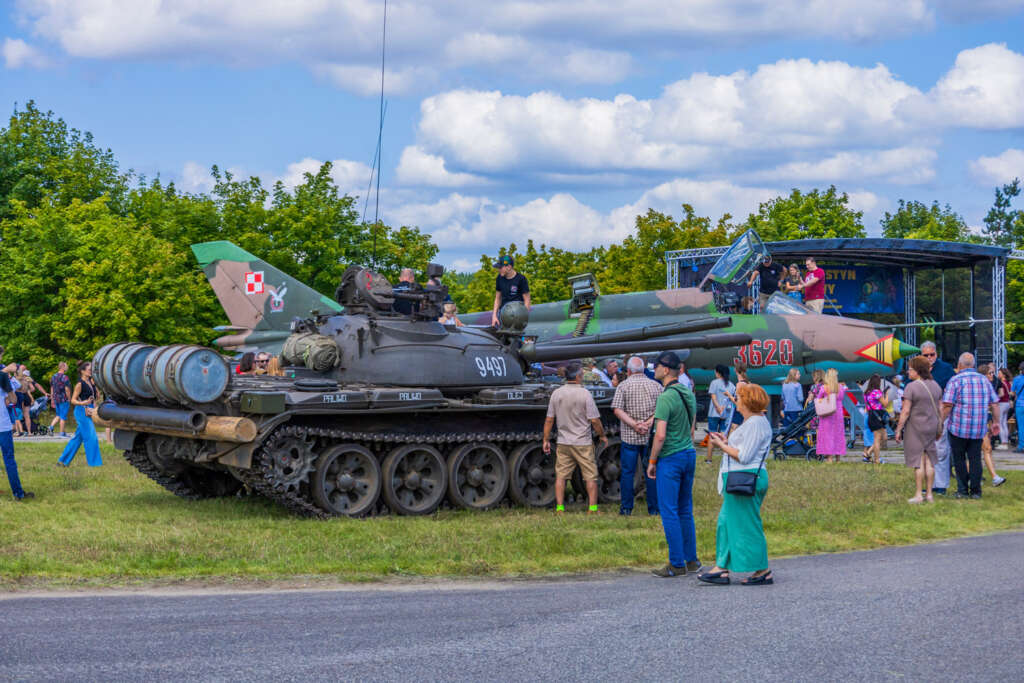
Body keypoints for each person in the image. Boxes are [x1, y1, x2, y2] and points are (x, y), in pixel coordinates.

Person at [699, 383, 773, 586]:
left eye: (739, 398)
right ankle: (721, 567)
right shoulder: (752, 422)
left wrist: (722, 446)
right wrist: (727, 441)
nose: (736, 401)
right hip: (739, 477)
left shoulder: (756, 423)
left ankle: (762, 569)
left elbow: (745, 455)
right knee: (725, 522)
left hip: (746, 476)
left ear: (747, 401)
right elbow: (742, 447)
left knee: (747, 524)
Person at [646, 351, 700, 578]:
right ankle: (691, 560)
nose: (654, 369)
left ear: (665, 369)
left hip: (671, 457)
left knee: (669, 511)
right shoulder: (687, 393)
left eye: (656, 366)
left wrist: (652, 460)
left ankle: (676, 564)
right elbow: (690, 427)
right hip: (689, 453)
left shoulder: (665, 397)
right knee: (685, 510)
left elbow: (660, 436)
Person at [542, 362, 607, 513]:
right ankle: (592, 508)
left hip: (564, 441)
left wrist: (545, 439)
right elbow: (595, 420)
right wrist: (602, 435)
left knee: (561, 476)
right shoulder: (584, 393)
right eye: (582, 375)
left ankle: (559, 508)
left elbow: (549, 419)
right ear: (578, 376)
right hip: (582, 442)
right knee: (590, 476)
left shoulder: (556, 393)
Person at [940, 353, 999, 499]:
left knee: (959, 459)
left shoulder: (955, 380)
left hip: (958, 428)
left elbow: (947, 405)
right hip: (978, 428)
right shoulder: (984, 380)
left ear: (959, 365)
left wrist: (939, 422)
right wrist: (996, 423)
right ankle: (976, 491)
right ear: (973, 365)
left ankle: (963, 490)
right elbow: (995, 403)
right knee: (975, 459)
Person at [611, 356, 664, 516]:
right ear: (643, 370)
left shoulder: (623, 386)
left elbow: (617, 409)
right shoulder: (656, 386)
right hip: (650, 436)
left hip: (630, 436)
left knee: (627, 472)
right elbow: (661, 409)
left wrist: (634, 424)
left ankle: (626, 508)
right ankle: (654, 509)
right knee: (651, 470)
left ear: (628, 371)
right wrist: (647, 423)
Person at [895, 356, 942, 504]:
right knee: (929, 461)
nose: (908, 372)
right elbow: (940, 409)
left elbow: (906, 411)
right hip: (932, 426)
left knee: (918, 461)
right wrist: (939, 426)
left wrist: (898, 429)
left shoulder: (911, 387)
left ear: (917, 371)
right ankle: (929, 494)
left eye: (910, 369)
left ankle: (918, 494)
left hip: (916, 427)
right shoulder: (936, 386)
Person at [921, 341, 956, 495]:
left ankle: (941, 484)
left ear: (936, 353)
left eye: (932, 354)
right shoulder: (918, 368)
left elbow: (951, 391)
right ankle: (931, 484)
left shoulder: (946, 369)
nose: (929, 357)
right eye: (926, 355)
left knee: (941, 449)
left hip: (941, 412)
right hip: (922, 414)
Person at [0, 353, 33, 500]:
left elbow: (22, 388)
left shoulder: (4, 373)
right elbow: (13, 397)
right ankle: (18, 493)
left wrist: (15, 375)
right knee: (9, 459)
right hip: (2, 424)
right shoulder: (3, 373)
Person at [58, 360, 103, 467]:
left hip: (90, 410)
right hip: (81, 411)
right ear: (82, 371)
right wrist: (83, 402)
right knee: (91, 437)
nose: (91, 371)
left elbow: (94, 398)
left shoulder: (90, 382)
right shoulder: (79, 384)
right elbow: (73, 400)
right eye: (89, 370)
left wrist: (95, 407)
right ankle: (95, 464)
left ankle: (63, 461)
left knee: (78, 438)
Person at [978, 365, 1007, 487]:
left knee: (986, 449)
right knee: (984, 449)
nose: (992, 375)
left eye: (993, 373)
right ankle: (993, 477)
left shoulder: (987, 386)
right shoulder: (982, 386)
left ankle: (990, 476)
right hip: (978, 422)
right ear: (984, 375)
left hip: (984, 420)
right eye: (990, 373)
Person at [815, 368, 847, 463]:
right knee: (838, 435)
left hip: (827, 414)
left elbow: (819, 398)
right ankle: (838, 458)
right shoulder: (840, 387)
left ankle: (829, 457)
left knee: (827, 435)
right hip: (838, 413)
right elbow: (842, 398)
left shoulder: (824, 388)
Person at [706, 364, 735, 464]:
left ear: (718, 373)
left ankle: (709, 459)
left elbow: (713, 397)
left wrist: (718, 407)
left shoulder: (714, 382)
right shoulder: (731, 385)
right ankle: (725, 459)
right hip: (726, 414)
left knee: (712, 435)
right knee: (724, 436)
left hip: (714, 413)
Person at [490, 255, 530, 326]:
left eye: (500, 267)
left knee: (516, 336)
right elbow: (497, 298)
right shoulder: (499, 278)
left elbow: (527, 300)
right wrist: (494, 316)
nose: (498, 270)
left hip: (517, 316)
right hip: (503, 315)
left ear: (509, 267)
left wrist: (523, 317)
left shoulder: (521, 279)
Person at [862, 374, 890, 464]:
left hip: (871, 415)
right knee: (878, 438)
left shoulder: (867, 393)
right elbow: (885, 404)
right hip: (877, 415)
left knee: (884, 437)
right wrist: (887, 394)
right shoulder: (876, 392)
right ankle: (877, 460)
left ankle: (869, 452)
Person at [49, 361, 71, 437]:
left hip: (56, 398)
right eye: (66, 366)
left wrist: (52, 398)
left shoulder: (53, 377)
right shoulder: (65, 377)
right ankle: (61, 433)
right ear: (63, 367)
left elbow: (52, 388)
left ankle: (51, 427)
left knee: (59, 415)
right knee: (63, 416)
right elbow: (67, 389)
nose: (67, 367)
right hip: (64, 398)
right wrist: (69, 398)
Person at [995, 367, 1012, 449]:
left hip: (1002, 403)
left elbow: (1001, 394)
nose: (998, 374)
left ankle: (1003, 442)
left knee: (1000, 423)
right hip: (1007, 404)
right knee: (1004, 423)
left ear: (1003, 374)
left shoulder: (1001, 382)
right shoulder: (1009, 383)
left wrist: (995, 398)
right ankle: (1005, 442)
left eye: (999, 373)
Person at [1013, 361, 1024, 453]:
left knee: (1021, 426)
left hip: (1020, 405)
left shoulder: (1017, 379)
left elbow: (1012, 393)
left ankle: (1021, 446)